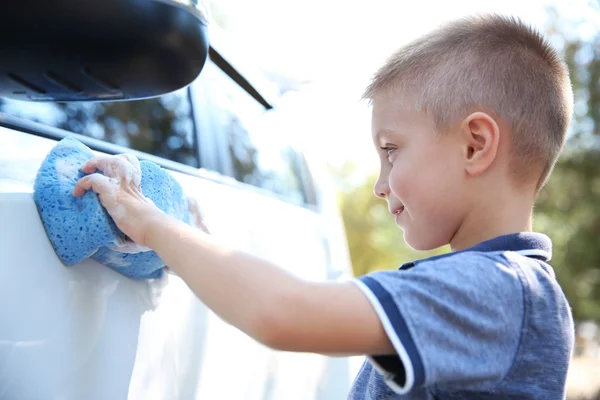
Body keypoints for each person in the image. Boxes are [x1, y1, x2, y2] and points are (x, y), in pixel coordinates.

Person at [72, 13, 575, 399]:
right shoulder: (506, 289)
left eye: (391, 149)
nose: (380, 186)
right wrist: (194, 239)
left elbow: (282, 312)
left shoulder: (503, 290)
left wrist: (149, 222)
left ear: (475, 145)